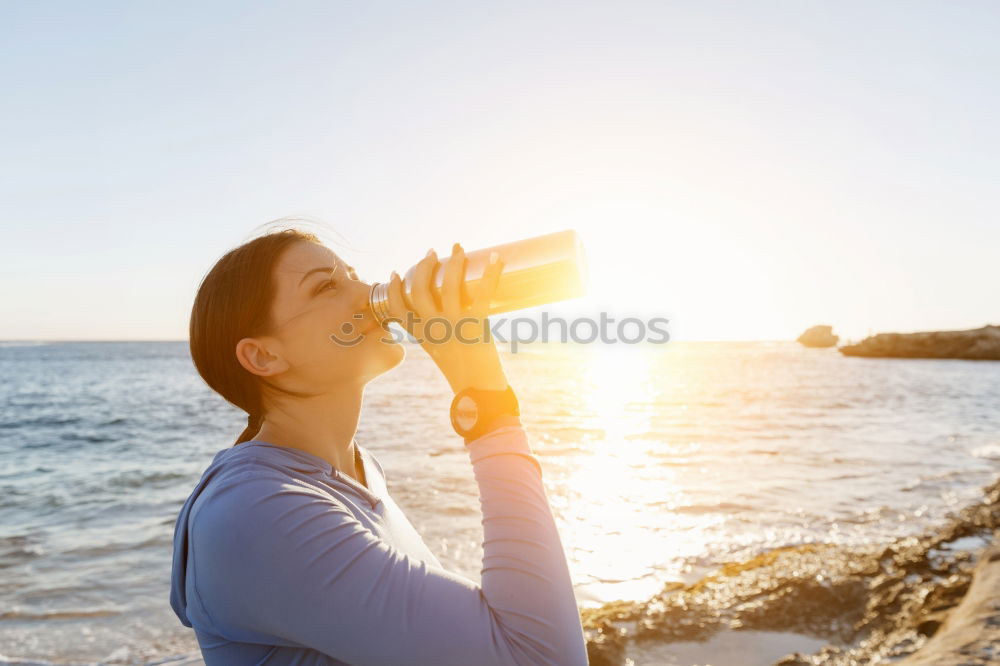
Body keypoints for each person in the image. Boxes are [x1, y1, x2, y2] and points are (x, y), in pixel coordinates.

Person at [169, 227, 589, 665]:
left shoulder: (357, 470)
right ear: (264, 357)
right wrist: (485, 400)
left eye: (353, 275)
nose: (369, 291)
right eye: (326, 285)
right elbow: (544, 658)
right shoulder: (255, 512)